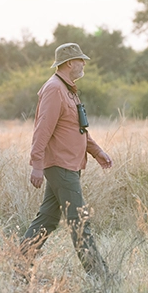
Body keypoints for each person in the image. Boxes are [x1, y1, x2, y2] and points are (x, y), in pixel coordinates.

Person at [20, 43, 114, 278]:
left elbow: (76, 128)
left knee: (47, 220)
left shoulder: (68, 90)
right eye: (81, 60)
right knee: (79, 222)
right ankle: (100, 276)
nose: (84, 64)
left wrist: (97, 152)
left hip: (68, 165)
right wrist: (37, 165)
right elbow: (42, 130)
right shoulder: (54, 89)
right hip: (60, 166)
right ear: (70, 63)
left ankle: (18, 266)